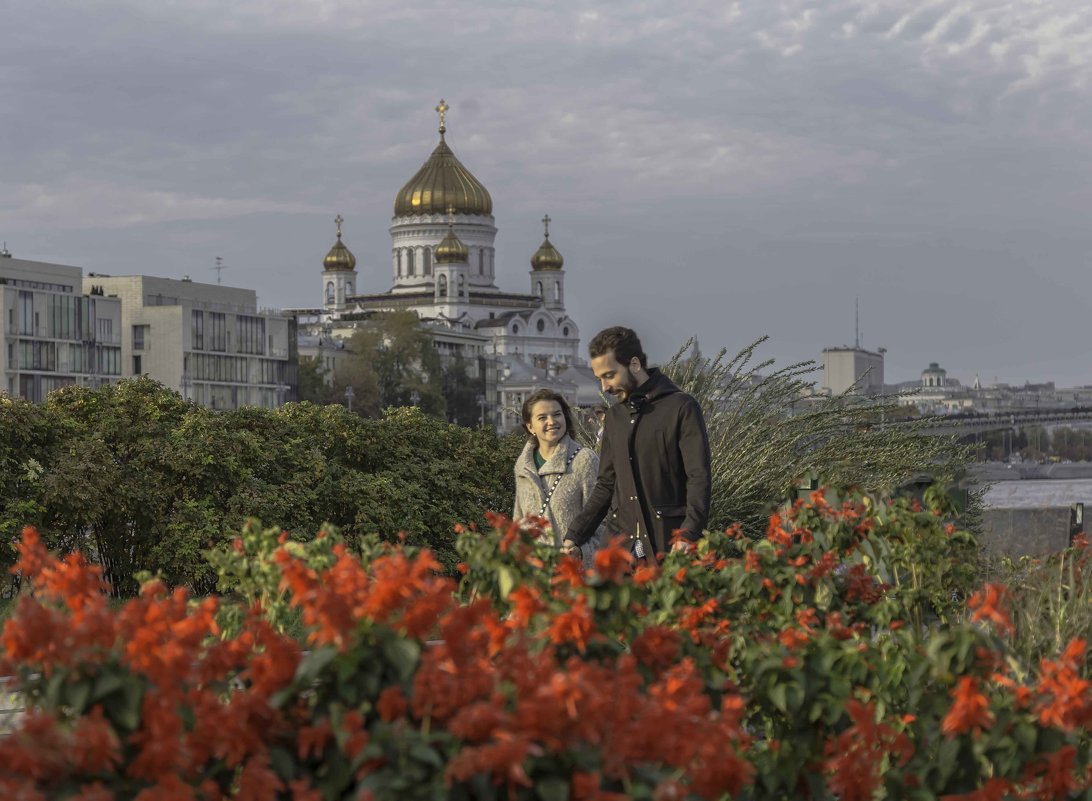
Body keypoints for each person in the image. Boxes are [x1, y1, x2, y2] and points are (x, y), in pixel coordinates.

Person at [563, 326, 711, 561]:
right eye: (600, 378)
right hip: (618, 550)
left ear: (634, 364)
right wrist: (574, 536)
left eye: (609, 375)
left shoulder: (682, 408)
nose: (604, 387)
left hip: (668, 546)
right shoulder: (614, 417)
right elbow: (606, 484)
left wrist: (688, 535)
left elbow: (698, 478)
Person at [512, 389, 604, 565]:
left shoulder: (584, 460)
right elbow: (518, 523)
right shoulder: (523, 466)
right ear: (530, 426)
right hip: (533, 577)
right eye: (542, 418)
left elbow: (603, 521)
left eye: (557, 414)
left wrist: (582, 553)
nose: (551, 422)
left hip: (573, 576)